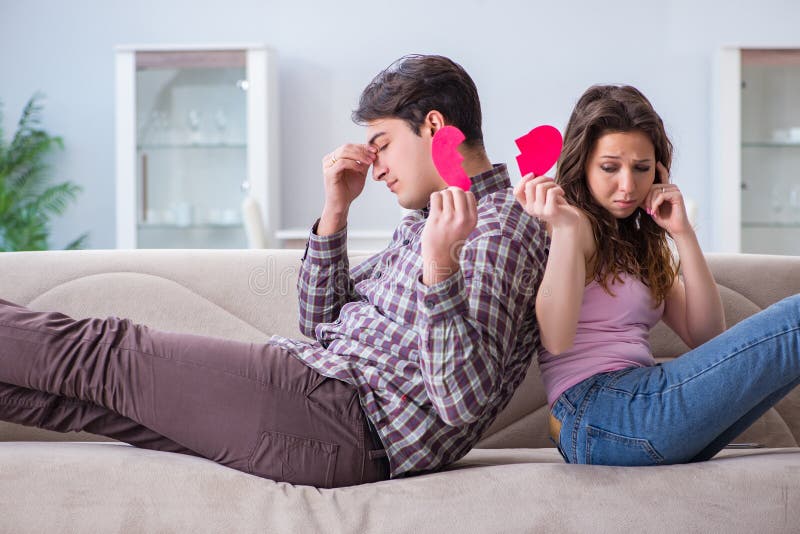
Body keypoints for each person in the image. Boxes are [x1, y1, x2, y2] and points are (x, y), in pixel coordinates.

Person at [0, 55, 548, 487]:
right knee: (85, 404)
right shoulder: (435, 218)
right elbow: (320, 323)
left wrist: (439, 266)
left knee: (101, 352)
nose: (375, 167)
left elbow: (458, 402)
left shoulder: (498, 231)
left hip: (339, 417)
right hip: (323, 406)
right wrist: (335, 212)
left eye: (382, 145)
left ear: (434, 126)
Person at [514, 84, 800, 466]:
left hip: (634, 407)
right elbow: (556, 338)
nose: (628, 186)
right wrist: (563, 230)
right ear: (582, 164)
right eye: (610, 167)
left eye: (642, 168)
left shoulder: (636, 244)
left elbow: (706, 335)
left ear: (659, 170)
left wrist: (681, 232)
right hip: (598, 410)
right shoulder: (572, 223)